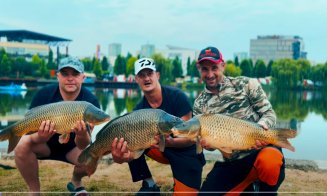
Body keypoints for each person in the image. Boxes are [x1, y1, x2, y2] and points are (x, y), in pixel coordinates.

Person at [194, 46, 284, 195]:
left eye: (214, 68)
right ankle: (246, 188)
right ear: (199, 69)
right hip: (232, 160)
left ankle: (265, 191)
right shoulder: (199, 104)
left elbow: (269, 113)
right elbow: (209, 146)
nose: (210, 74)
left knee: (270, 160)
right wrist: (207, 145)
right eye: (205, 69)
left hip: (260, 149)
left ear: (223, 66)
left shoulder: (246, 84)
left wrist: (260, 130)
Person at [111, 57, 206, 195]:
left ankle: (182, 180)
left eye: (150, 73)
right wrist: (121, 157)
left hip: (186, 151)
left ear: (157, 75)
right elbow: (131, 153)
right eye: (142, 75)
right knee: (130, 136)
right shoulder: (139, 110)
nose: (146, 78)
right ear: (136, 79)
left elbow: (191, 138)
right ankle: (149, 184)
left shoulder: (178, 96)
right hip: (159, 148)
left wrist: (169, 142)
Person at [14, 57, 100, 196]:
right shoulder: (43, 95)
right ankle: (34, 191)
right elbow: (29, 136)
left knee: (93, 155)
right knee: (21, 144)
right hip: (44, 145)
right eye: (65, 74)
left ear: (83, 77)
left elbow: (84, 144)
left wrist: (81, 134)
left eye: (75, 74)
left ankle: (76, 182)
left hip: (73, 149)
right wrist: (41, 136)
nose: (70, 78)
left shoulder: (90, 102)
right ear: (58, 75)